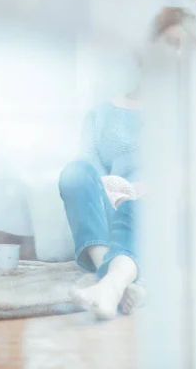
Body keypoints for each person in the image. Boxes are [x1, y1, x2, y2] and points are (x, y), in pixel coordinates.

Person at [58, 92, 145, 320]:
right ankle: (113, 279)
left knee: (138, 206)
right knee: (74, 173)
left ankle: (110, 285)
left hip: (153, 209)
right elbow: (88, 167)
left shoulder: (181, 110)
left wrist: (141, 190)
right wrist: (115, 191)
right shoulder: (100, 114)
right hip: (111, 202)